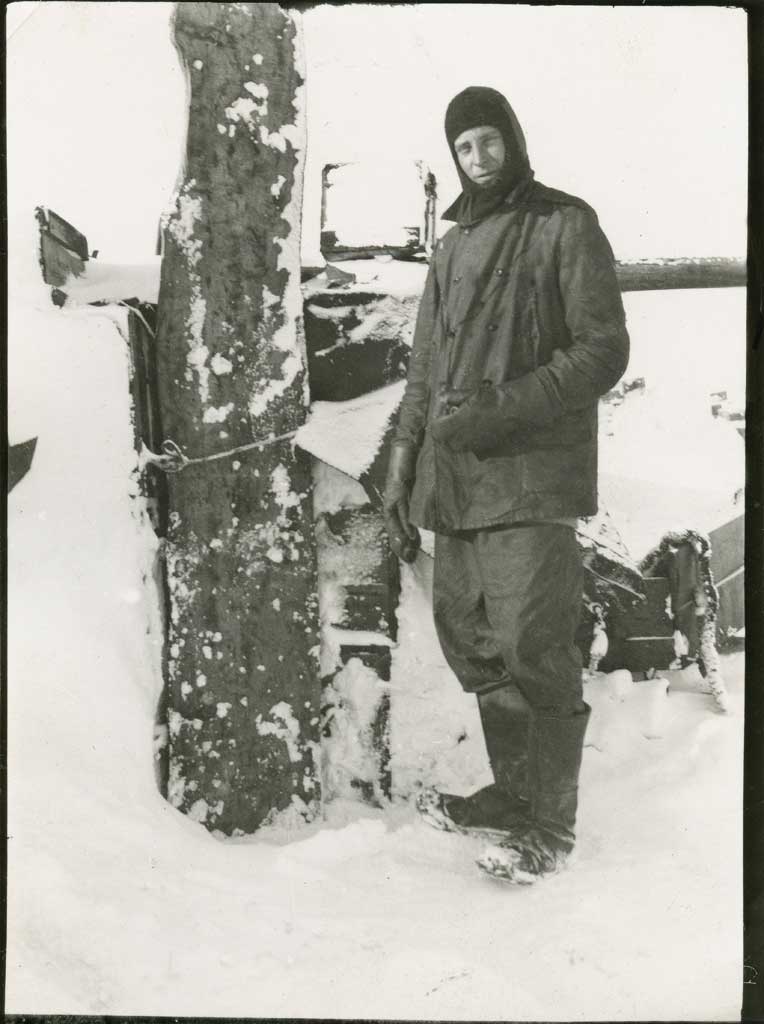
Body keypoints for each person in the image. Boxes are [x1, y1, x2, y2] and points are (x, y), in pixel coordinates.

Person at [383, 85, 629, 883]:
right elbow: (425, 371)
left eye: (490, 142)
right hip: (453, 485)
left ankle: (548, 828)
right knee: (476, 645)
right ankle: (512, 794)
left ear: (513, 141)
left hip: (529, 478)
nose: (479, 159)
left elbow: (600, 353)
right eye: (464, 148)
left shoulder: (565, 223)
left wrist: (496, 411)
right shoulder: (451, 247)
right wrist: (401, 470)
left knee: (533, 645)